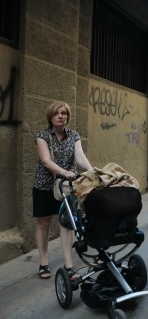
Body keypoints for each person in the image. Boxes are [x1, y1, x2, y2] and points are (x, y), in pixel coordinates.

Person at [33, 101, 93, 279]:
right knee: (43, 223)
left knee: (67, 224)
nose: (61, 116)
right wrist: (63, 172)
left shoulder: (74, 135)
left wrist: (92, 171)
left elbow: (80, 157)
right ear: (50, 117)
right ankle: (43, 262)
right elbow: (45, 160)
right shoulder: (43, 135)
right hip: (44, 185)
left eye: (64, 113)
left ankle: (68, 265)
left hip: (67, 187)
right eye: (57, 113)